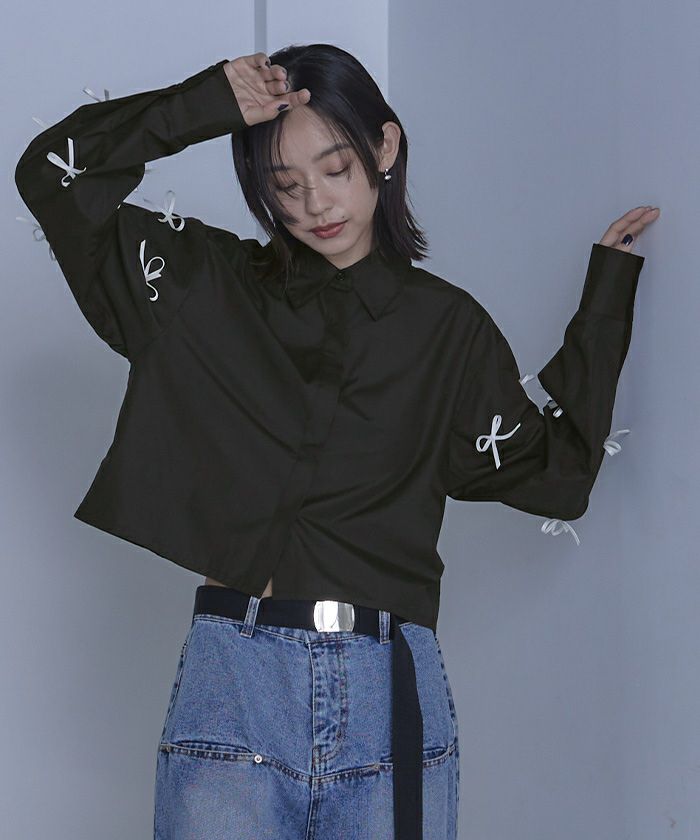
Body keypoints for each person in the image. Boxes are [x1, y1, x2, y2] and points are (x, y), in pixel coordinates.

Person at [14, 43, 658, 840]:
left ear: (384, 149)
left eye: (336, 168)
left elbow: (558, 475)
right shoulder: (202, 288)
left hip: (387, 691)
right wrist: (204, 105)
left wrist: (605, 302)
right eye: (285, 184)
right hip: (235, 684)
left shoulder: (448, 330)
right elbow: (53, 178)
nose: (316, 201)